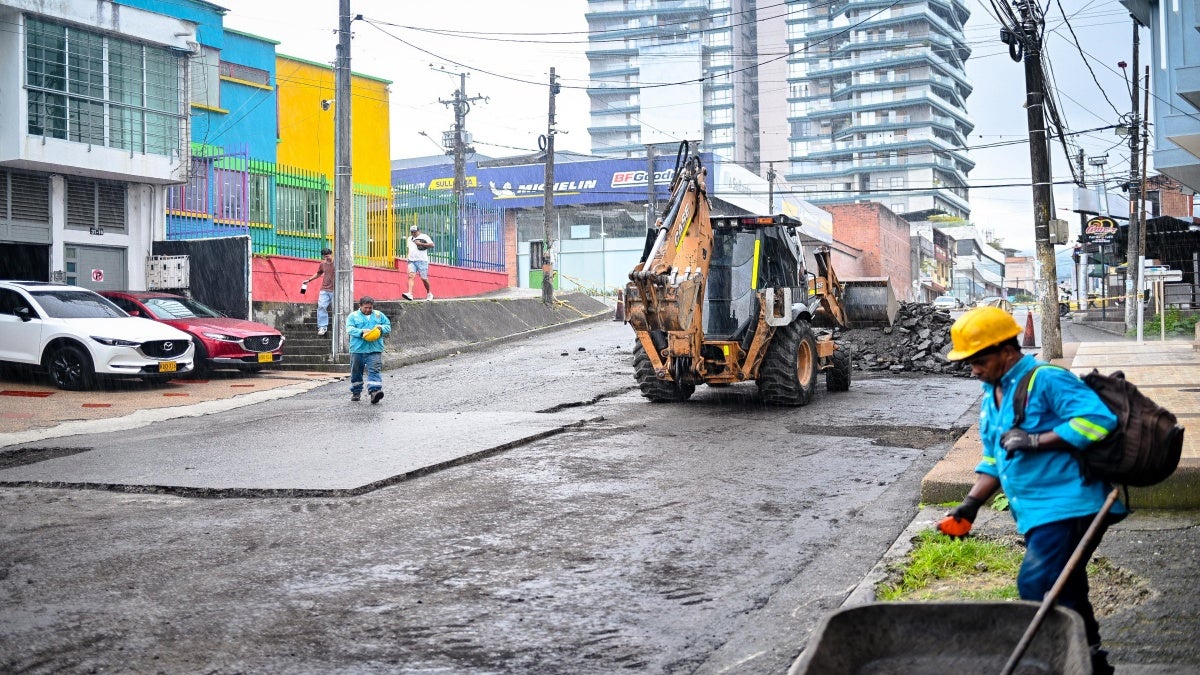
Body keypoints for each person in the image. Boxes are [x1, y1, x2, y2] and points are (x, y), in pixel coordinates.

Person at [939, 306, 1124, 675]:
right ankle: (1089, 661)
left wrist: (1038, 440)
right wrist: (971, 505)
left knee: (1037, 583)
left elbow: (1100, 420)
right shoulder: (993, 392)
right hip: (1037, 510)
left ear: (1008, 351)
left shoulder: (1047, 379)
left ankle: (1049, 663)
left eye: (979, 359)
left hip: (1072, 504)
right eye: (968, 361)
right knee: (1065, 588)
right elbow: (996, 457)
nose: (973, 367)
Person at [345, 295, 391, 404]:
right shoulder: (353, 316)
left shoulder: (379, 315)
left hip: (375, 349)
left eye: (370, 307)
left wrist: (381, 328)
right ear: (360, 306)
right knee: (356, 371)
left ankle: (374, 392)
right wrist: (361, 331)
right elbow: (349, 329)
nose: (368, 310)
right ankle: (356, 392)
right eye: (365, 307)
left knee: (374, 370)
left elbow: (388, 326)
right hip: (357, 349)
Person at [303, 248, 335, 336]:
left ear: (331, 254)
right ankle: (322, 327)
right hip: (324, 289)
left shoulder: (337, 263)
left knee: (336, 309)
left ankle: (338, 326)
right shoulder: (322, 264)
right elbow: (318, 273)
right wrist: (309, 280)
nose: (326, 258)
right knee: (321, 306)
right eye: (325, 257)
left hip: (335, 290)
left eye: (328, 256)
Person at [403, 225, 435, 301]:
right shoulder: (409, 239)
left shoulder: (424, 236)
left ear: (418, 231)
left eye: (415, 232)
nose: (413, 233)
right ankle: (410, 294)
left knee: (424, 278)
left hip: (422, 261)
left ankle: (429, 293)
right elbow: (410, 249)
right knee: (411, 276)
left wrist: (421, 244)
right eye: (412, 232)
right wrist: (408, 258)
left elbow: (432, 245)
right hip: (411, 261)